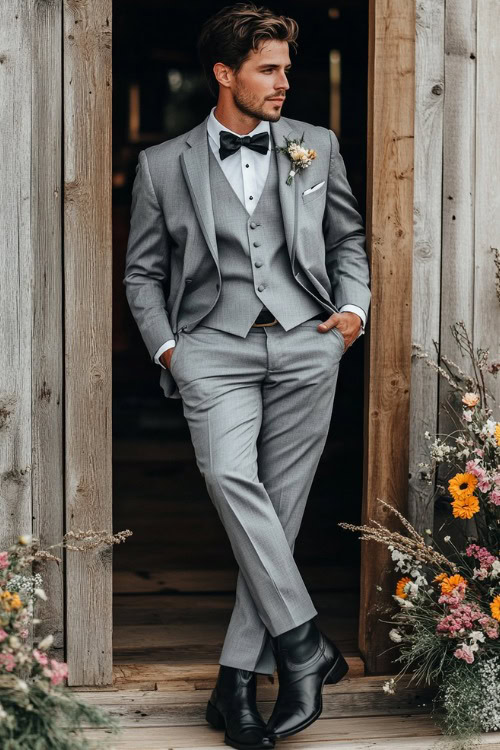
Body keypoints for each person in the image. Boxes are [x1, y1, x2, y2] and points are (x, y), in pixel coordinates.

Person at [124, 3, 371, 747]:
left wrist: (353, 313)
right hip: (213, 350)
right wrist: (171, 351)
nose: (284, 82)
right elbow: (142, 273)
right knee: (236, 484)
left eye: (286, 68)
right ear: (224, 74)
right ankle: (303, 644)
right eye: (269, 68)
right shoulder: (163, 165)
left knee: (278, 517)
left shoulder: (315, 145)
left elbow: (347, 237)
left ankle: (236, 684)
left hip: (306, 344)